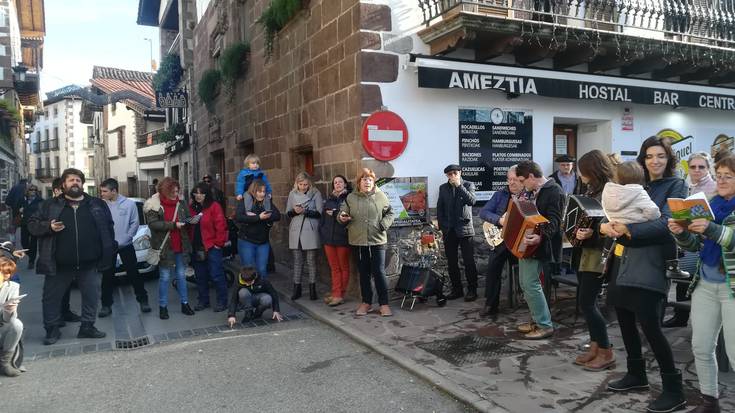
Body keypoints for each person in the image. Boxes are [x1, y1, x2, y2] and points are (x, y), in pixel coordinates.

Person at [601, 136, 688, 413]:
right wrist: (605, 226)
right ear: (643, 159)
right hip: (622, 260)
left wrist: (626, 230)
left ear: (669, 158)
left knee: (651, 327)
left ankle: (674, 390)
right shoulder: (636, 182)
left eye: (661, 156)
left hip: (651, 264)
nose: (655, 161)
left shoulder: (676, 185)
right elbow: (611, 211)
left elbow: (666, 224)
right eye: (650, 156)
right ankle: (636, 375)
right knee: (624, 321)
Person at [669, 155, 735, 413]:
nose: (721, 180)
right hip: (706, 283)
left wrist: (710, 229)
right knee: (701, 346)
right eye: (718, 175)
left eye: (728, 176)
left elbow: (730, 238)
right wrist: (682, 233)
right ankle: (710, 401)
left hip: (731, 288)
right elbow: (696, 246)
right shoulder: (710, 205)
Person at [28, 168, 115, 345]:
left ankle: (87, 327)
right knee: (51, 298)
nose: (75, 183)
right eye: (70, 180)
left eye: (78, 180)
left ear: (82, 184)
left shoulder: (97, 204)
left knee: (91, 296)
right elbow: (31, 225)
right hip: (58, 263)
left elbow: (109, 227)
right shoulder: (49, 205)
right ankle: (52, 330)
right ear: (63, 185)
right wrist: (48, 227)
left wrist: (108, 249)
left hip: (90, 262)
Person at [571, 150, 617, 371]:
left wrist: (593, 234)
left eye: (584, 172)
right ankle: (595, 346)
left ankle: (606, 351)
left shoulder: (610, 191)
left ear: (594, 171)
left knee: (588, 303)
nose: (581, 176)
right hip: (585, 252)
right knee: (585, 303)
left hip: (598, 254)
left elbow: (612, 226)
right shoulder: (592, 189)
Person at [663, 152, 717, 329]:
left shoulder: (714, 187)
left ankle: (696, 320)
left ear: (708, 168)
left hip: (707, 242)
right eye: (693, 166)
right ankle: (680, 317)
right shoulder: (687, 184)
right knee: (684, 276)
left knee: (697, 281)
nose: (697, 170)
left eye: (701, 167)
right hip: (688, 238)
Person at [513, 160, 565, 339]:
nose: (521, 184)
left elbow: (555, 222)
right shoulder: (532, 191)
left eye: (522, 180)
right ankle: (536, 320)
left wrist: (540, 236)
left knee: (531, 284)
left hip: (541, 245)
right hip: (529, 243)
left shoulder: (554, 191)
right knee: (525, 284)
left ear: (532, 177)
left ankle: (544, 325)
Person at [339, 168, 395, 317]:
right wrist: (342, 217)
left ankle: (384, 304)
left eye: (370, 179)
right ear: (359, 182)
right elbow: (342, 212)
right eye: (364, 179)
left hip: (377, 240)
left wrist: (383, 225)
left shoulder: (381, 196)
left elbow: (390, 213)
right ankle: (366, 303)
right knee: (363, 273)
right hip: (358, 241)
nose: (367, 182)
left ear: (373, 181)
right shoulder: (351, 198)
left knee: (379, 272)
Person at [144, 177, 195, 320]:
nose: (176, 194)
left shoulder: (182, 202)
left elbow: (187, 218)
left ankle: (185, 304)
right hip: (164, 247)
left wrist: (191, 221)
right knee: (165, 277)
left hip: (181, 245)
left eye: (177, 191)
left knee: (181, 276)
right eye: (172, 191)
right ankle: (163, 307)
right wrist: (173, 225)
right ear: (164, 191)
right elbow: (153, 224)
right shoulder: (154, 205)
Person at [98, 179, 150, 317]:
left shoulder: (129, 204)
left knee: (134, 274)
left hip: (126, 245)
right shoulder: (101, 205)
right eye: (101, 191)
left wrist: (126, 238)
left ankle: (143, 301)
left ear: (114, 191)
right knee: (107, 276)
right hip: (109, 247)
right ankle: (106, 305)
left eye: (104, 191)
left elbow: (135, 223)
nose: (101, 194)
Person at [478, 166, 522, 316]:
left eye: (515, 179)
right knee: (493, 269)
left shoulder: (529, 195)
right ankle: (491, 304)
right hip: (501, 241)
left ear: (522, 179)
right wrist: (499, 220)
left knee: (529, 268)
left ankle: (528, 300)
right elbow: (483, 212)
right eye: (509, 179)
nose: (511, 183)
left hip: (520, 240)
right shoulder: (500, 194)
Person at [436, 164, 478, 301]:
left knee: (468, 261)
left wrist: (459, 186)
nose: (452, 176)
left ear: (460, 172)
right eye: (449, 174)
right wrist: (442, 226)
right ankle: (457, 289)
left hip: (464, 228)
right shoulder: (443, 188)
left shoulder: (468, 185)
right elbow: (440, 208)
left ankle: (472, 290)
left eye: (455, 173)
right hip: (449, 230)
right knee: (452, 262)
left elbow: (472, 201)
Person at [188, 182, 228, 312]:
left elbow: (221, 225)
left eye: (202, 193)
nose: (199, 196)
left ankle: (222, 301)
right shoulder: (192, 207)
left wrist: (218, 244)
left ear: (207, 194)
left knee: (216, 274)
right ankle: (203, 300)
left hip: (212, 246)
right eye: (196, 193)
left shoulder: (214, 206)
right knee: (200, 276)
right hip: (197, 246)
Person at [286, 172, 323, 301]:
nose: (303, 187)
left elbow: (319, 213)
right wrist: (294, 211)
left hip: (310, 229)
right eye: (301, 184)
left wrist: (305, 211)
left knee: (311, 261)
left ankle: (313, 289)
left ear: (309, 183)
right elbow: (288, 213)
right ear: (297, 183)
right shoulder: (292, 194)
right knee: (297, 261)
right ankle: (297, 289)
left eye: (306, 184)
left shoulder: (316, 193)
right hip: (296, 229)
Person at [51, 177, 81, 326]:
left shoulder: (70, 206)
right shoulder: (50, 207)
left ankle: (65, 312)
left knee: (66, 286)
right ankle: (57, 317)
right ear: (57, 190)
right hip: (54, 255)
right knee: (56, 289)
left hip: (68, 254)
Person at [236, 179, 281, 279]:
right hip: (247, 241)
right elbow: (239, 217)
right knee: (249, 271)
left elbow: (277, 215)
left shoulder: (267, 202)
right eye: (259, 191)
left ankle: (261, 292)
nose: (262, 194)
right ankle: (248, 293)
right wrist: (258, 217)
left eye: (264, 191)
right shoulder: (246, 201)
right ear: (253, 191)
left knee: (262, 270)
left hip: (262, 242)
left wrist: (266, 216)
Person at [319, 175, 352, 306]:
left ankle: (339, 294)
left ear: (345, 184)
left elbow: (351, 215)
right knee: (334, 268)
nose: (338, 184)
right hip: (328, 238)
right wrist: (322, 231)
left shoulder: (349, 198)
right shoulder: (329, 199)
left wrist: (335, 212)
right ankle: (336, 293)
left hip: (342, 238)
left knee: (343, 267)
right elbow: (323, 218)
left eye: (340, 182)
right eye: (335, 182)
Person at [0, 246, 23, 377]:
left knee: (16, 324)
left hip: (2, 325)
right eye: (3, 273)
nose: (5, 277)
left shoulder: (13, 287)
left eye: (8, 274)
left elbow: (9, 320)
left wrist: (10, 310)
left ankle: (5, 363)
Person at [19, 185, 42, 270]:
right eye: (31, 190)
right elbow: (17, 207)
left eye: (34, 190)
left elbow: (42, 211)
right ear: (27, 191)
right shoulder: (23, 200)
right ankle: (30, 254)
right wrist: (20, 210)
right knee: (23, 242)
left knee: (33, 243)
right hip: (24, 223)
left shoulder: (40, 201)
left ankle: (31, 261)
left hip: (34, 224)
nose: (33, 191)